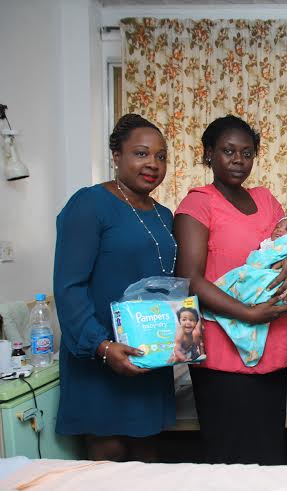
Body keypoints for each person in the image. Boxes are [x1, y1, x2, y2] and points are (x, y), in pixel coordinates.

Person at [174, 115, 287, 465]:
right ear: (209, 154)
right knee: (229, 458)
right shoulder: (198, 203)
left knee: (268, 454)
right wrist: (249, 313)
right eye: (228, 151)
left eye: (247, 153)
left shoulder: (266, 200)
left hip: (272, 343)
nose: (238, 160)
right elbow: (189, 278)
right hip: (223, 348)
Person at [54, 113, 176, 461]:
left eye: (161, 156)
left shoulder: (164, 215)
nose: (153, 163)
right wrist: (102, 347)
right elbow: (69, 286)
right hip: (101, 356)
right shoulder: (90, 203)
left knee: (146, 459)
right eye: (141, 153)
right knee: (109, 464)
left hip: (147, 356)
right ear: (117, 156)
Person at [204, 215, 287, 367]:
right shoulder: (267, 245)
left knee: (257, 287)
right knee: (241, 281)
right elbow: (256, 260)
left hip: (276, 284)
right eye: (278, 227)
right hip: (259, 275)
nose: (280, 230)